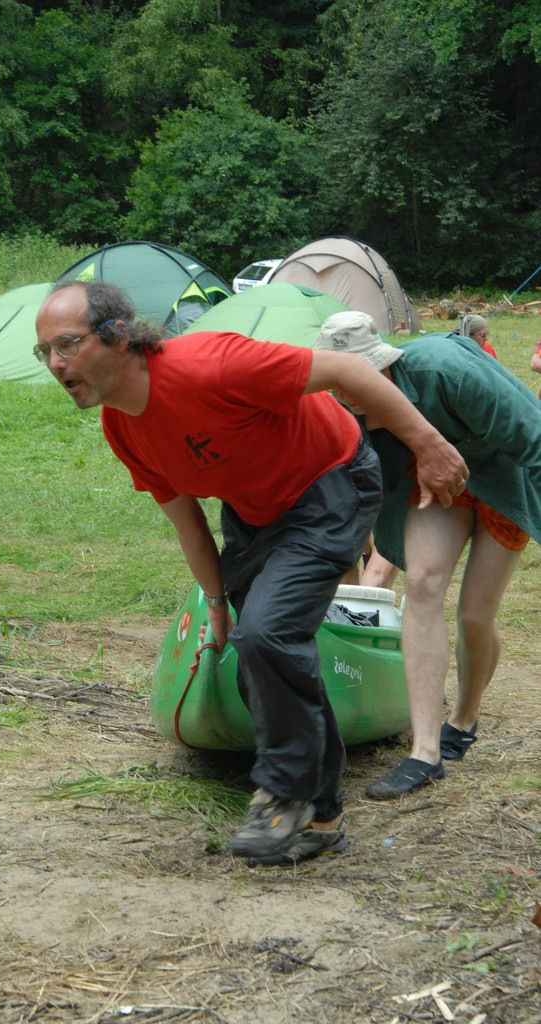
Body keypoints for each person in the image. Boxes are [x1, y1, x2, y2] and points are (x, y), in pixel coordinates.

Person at [34, 281, 467, 865]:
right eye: (45, 351)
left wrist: (429, 446)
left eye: (67, 344)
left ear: (117, 336)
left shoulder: (208, 365)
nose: (55, 364)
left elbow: (347, 370)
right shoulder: (123, 427)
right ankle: (323, 816)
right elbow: (188, 520)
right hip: (253, 512)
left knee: (268, 635)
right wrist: (216, 602)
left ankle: (281, 792)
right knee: (263, 657)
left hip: (330, 480)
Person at [315, 310, 541, 799]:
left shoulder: (447, 371)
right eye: (337, 381)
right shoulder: (342, 412)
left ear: (383, 362)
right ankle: (425, 753)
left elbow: (535, 439)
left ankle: (463, 718)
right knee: (420, 582)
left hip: (505, 473)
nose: (348, 394)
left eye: (359, 376)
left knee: (475, 616)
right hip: (435, 480)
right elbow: (345, 489)